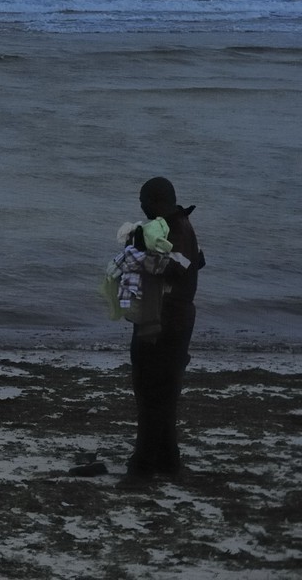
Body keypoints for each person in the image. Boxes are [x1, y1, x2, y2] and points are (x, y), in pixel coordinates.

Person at [121, 176, 206, 485]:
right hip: (171, 319)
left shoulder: (175, 229)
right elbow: (198, 261)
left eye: (144, 202)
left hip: (165, 322)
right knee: (164, 394)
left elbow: (177, 268)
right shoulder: (179, 226)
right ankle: (168, 460)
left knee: (151, 393)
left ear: (156, 201)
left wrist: (138, 252)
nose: (142, 208)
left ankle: (142, 468)